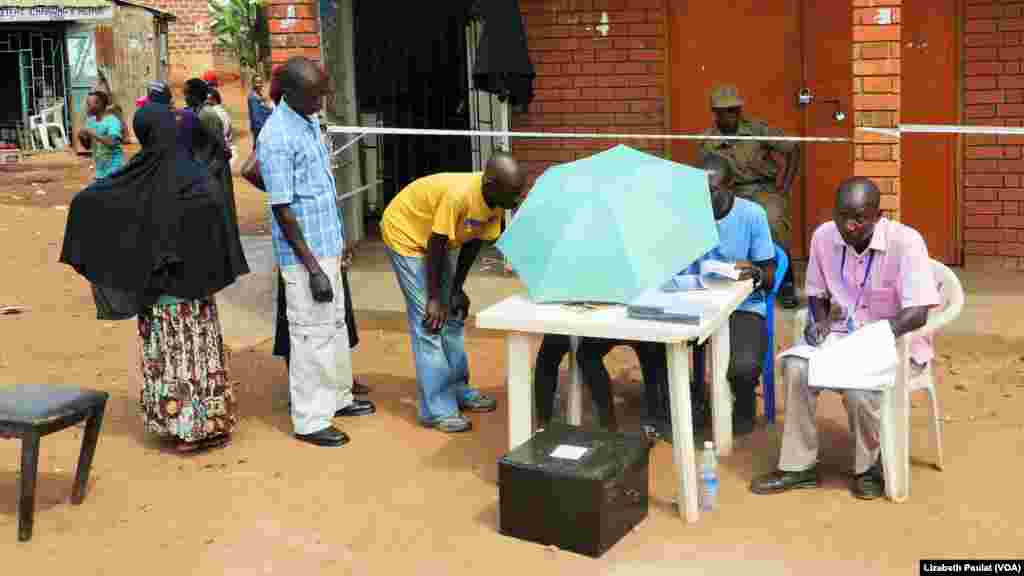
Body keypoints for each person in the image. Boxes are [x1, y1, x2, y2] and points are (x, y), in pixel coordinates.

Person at [60, 100, 248, 453]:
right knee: (199, 354)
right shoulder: (193, 174)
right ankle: (206, 424)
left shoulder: (134, 179)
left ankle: (179, 425)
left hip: (159, 293)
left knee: (169, 355)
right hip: (196, 288)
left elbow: (90, 203)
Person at [750, 177, 941, 500]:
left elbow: (918, 313)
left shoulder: (906, 242)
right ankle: (799, 467)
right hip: (841, 338)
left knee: (859, 389)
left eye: (858, 218)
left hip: (892, 341)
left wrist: (871, 340)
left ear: (877, 216)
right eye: (841, 215)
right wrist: (820, 321)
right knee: (797, 367)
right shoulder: (824, 236)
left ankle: (869, 467)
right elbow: (816, 291)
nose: (848, 226)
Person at [258, 56, 374, 448]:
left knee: (334, 326)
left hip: (327, 246)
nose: (321, 101)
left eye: (323, 93)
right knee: (310, 335)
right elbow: (282, 208)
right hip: (305, 256)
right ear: (290, 94)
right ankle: (310, 419)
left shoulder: (307, 122)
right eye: (315, 95)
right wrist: (313, 269)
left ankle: (338, 398)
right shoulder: (277, 137)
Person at [380, 153, 525, 433]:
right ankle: (438, 409)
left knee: (453, 316)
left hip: (440, 241)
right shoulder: (460, 196)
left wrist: (456, 290)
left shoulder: (495, 203)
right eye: (514, 193)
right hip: (406, 234)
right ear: (490, 183)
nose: (517, 200)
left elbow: (472, 244)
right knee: (430, 322)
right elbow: (435, 243)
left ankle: (458, 388)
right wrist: (435, 298)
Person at [686, 153, 776, 435]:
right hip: (697, 302)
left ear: (729, 187)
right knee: (656, 345)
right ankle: (676, 408)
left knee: (744, 367)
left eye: (711, 191)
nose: (703, 198)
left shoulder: (752, 215)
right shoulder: (687, 216)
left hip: (743, 305)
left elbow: (770, 276)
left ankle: (744, 409)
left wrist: (756, 273)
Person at [699, 84, 800, 309]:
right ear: (715, 113)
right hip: (730, 193)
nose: (730, 115)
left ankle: (785, 281)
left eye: (734, 110)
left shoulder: (757, 130)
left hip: (762, 189)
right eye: (724, 111)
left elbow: (793, 148)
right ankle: (728, 278)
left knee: (774, 221)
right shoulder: (708, 142)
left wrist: (785, 186)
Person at [183, 78, 249, 280]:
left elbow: (224, 150)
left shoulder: (208, 115)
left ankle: (229, 265)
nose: (184, 97)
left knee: (223, 217)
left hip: (216, 173)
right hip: (207, 172)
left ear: (195, 95)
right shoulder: (197, 113)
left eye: (187, 93)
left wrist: (210, 171)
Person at [78, 90, 124, 180]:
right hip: (100, 170)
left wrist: (91, 133)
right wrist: (82, 137)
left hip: (114, 168)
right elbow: (87, 147)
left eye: (88, 104)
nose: (87, 108)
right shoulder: (90, 121)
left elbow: (112, 142)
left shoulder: (112, 121)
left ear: (99, 104)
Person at [206, 88, 237, 161]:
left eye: (207, 99)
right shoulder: (223, 111)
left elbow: (217, 134)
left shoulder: (213, 113)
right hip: (227, 148)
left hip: (219, 152)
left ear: (213, 99)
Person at [248, 73, 274, 143]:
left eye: (260, 82)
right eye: (257, 82)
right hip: (259, 128)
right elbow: (255, 117)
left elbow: (264, 109)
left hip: (262, 127)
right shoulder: (253, 98)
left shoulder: (260, 95)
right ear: (253, 83)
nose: (259, 84)